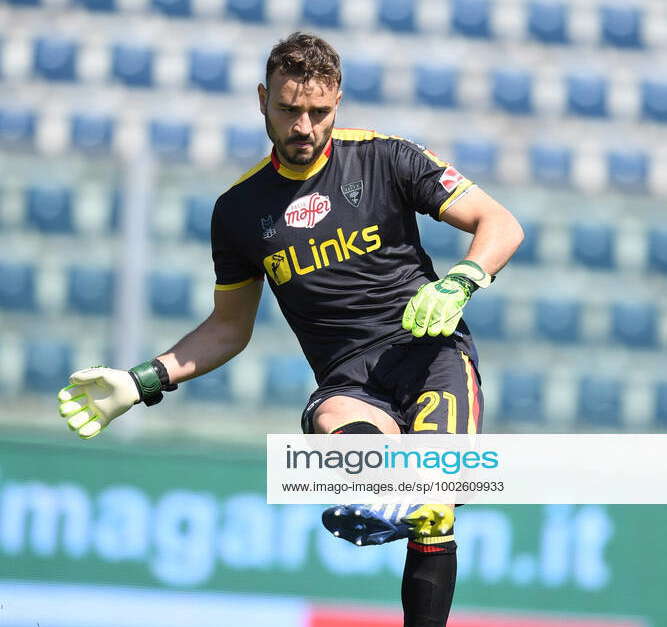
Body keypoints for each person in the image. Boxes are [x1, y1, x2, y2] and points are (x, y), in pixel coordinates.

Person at [57, 32, 523, 627]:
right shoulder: (239, 209)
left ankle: (397, 493)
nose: (304, 126)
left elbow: (500, 223)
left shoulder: (388, 157)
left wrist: (462, 280)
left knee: (434, 506)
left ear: (338, 103)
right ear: (262, 100)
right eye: (289, 109)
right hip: (348, 381)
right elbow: (229, 328)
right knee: (335, 421)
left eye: (319, 112)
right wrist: (144, 379)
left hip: (430, 356)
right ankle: (380, 485)